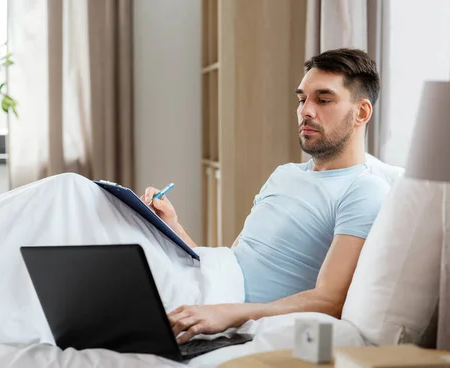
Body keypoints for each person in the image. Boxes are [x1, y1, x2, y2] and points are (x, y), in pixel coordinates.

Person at [141, 48, 390, 344]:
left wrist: (230, 313)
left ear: (361, 112)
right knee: (90, 201)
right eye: (302, 99)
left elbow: (329, 300)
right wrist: (173, 226)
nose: (305, 111)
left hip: (229, 308)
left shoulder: (364, 189)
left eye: (323, 99)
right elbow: (232, 264)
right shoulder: (284, 174)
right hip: (208, 287)